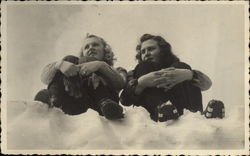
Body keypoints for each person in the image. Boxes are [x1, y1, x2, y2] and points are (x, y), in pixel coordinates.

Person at [120, 34, 213, 122]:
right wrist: (141, 82)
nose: (146, 53)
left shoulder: (178, 67)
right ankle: (163, 110)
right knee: (143, 67)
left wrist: (189, 74)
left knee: (182, 66)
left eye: (151, 49)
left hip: (184, 113)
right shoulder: (134, 73)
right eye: (143, 52)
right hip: (155, 116)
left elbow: (208, 84)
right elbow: (124, 100)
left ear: (162, 51)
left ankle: (196, 116)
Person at [35, 34, 125, 120]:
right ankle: (52, 98)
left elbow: (121, 83)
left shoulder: (118, 69)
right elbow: (44, 78)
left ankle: (105, 103)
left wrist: (100, 65)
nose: (91, 48)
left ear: (105, 50)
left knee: (89, 61)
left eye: (95, 45)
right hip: (74, 101)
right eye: (87, 47)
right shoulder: (75, 63)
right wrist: (60, 65)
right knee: (69, 59)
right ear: (83, 52)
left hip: (102, 107)